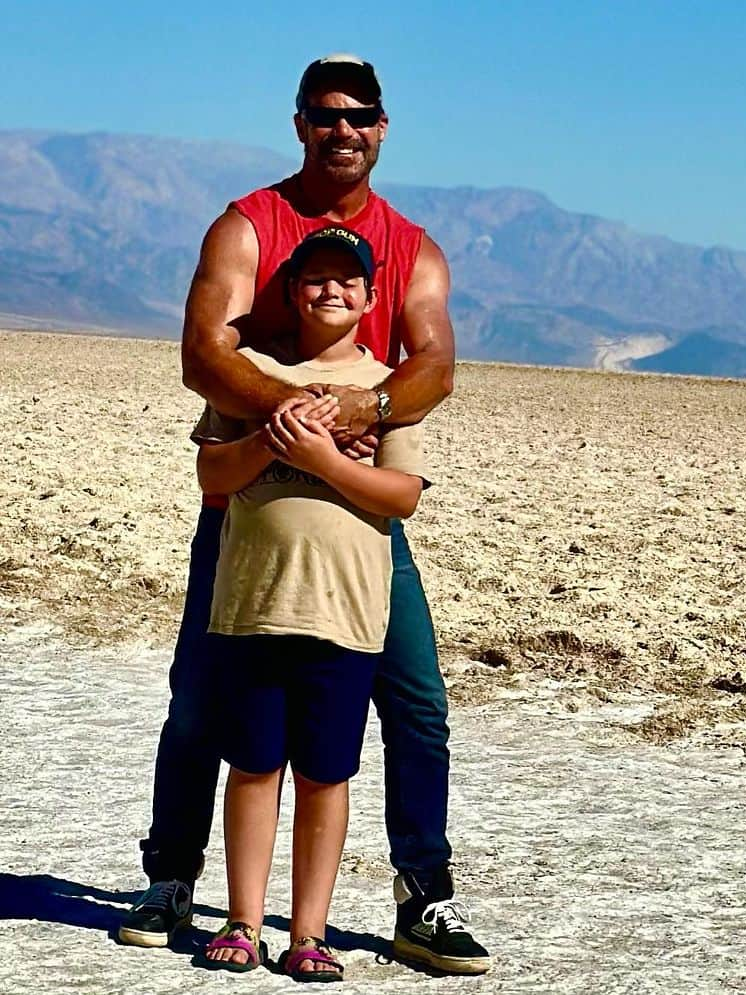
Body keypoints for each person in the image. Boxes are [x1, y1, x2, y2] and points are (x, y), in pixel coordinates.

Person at [118, 54, 491, 975]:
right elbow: (204, 352)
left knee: (416, 706)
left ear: (383, 127)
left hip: (361, 531)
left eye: (361, 115)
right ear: (299, 124)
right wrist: (288, 414)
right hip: (254, 507)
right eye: (326, 115)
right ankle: (173, 878)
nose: (344, 130)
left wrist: (363, 409)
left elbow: (434, 364)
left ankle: (422, 898)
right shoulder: (252, 226)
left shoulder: (413, 248)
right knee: (202, 696)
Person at [193, 228, 432, 982]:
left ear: (370, 297)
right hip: (254, 607)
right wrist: (274, 438)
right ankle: (242, 919)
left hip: (345, 615)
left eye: (347, 281)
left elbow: (402, 496)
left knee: (326, 775)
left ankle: (308, 930)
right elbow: (212, 474)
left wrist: (324, 458)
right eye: (314, 279)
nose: (330, 291)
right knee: (255, 765)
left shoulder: (384, 387)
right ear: (293, 291)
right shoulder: (251, 374)